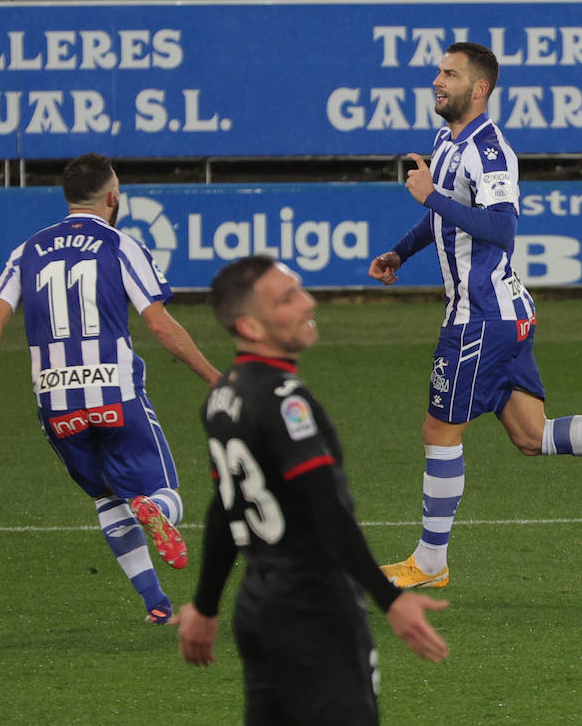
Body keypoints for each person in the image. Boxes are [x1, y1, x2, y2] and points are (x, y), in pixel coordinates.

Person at [367, 41, 582, 589]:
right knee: (531, 435)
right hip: (502, 313)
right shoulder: (446, 141)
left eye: (449, 74)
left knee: (439, 429)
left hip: (481, 319)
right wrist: (400, 252)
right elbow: (451, 221)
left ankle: (429, 563)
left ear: (479, 89)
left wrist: (429, 196)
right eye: (438, 72)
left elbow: (501, 228)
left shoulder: (490, 151)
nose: (437, 81)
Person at [178, 255, 449, 723]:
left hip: (259, 608)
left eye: (300, 289)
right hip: (316, 611)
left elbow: (226, 507)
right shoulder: (285, 401)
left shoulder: (223, 396)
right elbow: (327, 512)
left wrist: (205, 606)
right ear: (251, 326)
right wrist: (391, 602)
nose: (309, 303)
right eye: (287, 299)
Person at [0, 152, 219, 625]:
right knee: (163, 492)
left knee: (106, 498)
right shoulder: (120, 245)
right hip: (115, 394)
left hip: (56, 403)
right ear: (113, 197)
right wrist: (214, 378)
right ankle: (154, 508)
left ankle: (155, 603)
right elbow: (158, 324)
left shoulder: (28, 250)